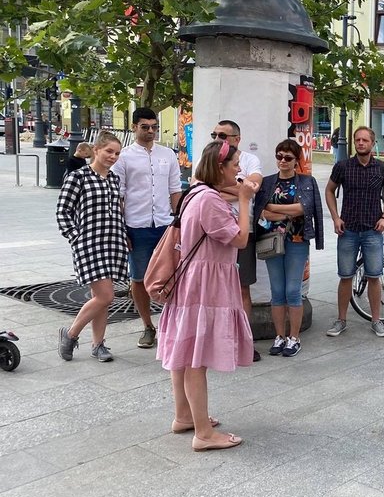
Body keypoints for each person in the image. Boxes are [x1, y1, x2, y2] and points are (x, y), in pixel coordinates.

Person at [158, 138, 256, 452]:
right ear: (220, 167)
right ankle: (203, 433)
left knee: (183, 353)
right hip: (205, 285)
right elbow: (240, 239)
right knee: (196, 358)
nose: (239, 169)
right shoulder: (211, 200)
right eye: (235, 164)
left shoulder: (195, 193)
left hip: (191, 282)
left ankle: (184, 415)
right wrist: (244, 201)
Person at [112, 107, 182, 349]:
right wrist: (121, 231)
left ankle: (171, 323)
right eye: (145, 127)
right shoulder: (123, 157)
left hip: (165, 225)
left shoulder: (168, 155)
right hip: (136, 225)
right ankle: (147, 326)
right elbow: (118, 196)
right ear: (134, 127)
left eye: (154, 127)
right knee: (139, 278)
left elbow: (175, 189)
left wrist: (180, 222)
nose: (150, 131)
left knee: (173, 276)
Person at [55, 132, 127, 363]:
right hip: (89, 244)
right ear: (96, 149)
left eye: (117, 153)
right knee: (106, 296)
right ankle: (71, 333)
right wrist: (76, 238)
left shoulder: (114, 179)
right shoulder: (78, 177)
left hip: (113, 243)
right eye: (108, 151)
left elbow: (117, 210)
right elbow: (63, 211)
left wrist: (123, 236)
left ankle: (98, 345)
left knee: (102, 297)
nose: (113, 157)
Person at [254, 139, 324, 358]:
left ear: (296, 161)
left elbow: (305, 208)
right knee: (277, 291)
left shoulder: (306, 181)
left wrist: (276, 209)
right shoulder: (266, 182)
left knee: (293, 291)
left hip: (297, 240)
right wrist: (288, 212)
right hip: (271, 240)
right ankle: (279, 336)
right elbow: (261, 211)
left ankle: (294, 338)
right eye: (279, 156)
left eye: (288, 158)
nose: (282, 161)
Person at [325, 126, 384, 338]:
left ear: (373, 143)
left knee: (374, 276)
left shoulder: (383, 168)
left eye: (365, 140)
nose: (361, 143)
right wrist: (336, 217)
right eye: (357, 140)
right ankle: (341, 320)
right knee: (345, 275)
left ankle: (376, 320)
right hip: (348, 230)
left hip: (373, 229)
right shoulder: (343, 166)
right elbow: (329, 190)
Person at [212, 120, 263, 362]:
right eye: (214, 134)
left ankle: (244, 340)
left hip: (243, 228)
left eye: (222, 135)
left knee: (243, 287)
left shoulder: (250, 160)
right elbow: (202, 187)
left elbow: (253, 188)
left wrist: (226, 188)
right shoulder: (209, 159)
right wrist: (240, 189)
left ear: (236, 139)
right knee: (215, 288)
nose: (217, 138)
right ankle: (218, 341)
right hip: (214, 231)